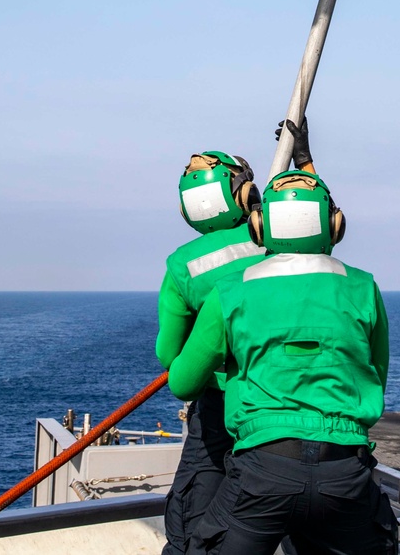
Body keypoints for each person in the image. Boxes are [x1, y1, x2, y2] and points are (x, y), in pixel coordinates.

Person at [167, 125, 396, 555]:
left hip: (261, 469)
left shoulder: (230, 291)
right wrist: (306, 162)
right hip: (346, 471)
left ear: (258, 226)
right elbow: (376, 375)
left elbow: (180, 380)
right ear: (335, 225)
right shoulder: (363, 287)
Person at [157, 150, 265, 555]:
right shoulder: (272, 237)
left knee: (192, 521)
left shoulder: (182, 265)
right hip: (282, 402)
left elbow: (169, 354)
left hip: (218, 405)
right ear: (243, 195)